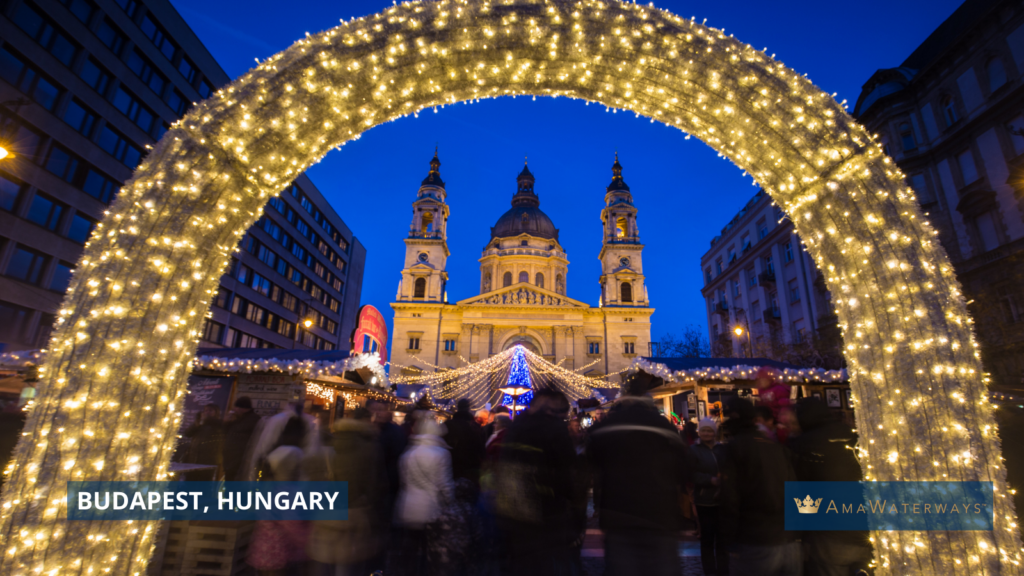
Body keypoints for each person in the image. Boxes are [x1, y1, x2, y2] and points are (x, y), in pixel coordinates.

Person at [588, 374, 693, 576]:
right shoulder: (665, 427)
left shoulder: (608, 427)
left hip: (619, 516)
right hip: (661, 518)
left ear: (625, 397)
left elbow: (592, 464)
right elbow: (685, 469)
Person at [496, 388, 580, 576]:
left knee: (521, 562)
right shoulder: (553, 428)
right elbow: (567, 473)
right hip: (546, 511)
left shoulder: (516, 425)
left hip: (513, 509)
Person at [788, 397, 871, 576]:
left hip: (829, 533)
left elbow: (802, 493)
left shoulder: (804, 444)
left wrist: (802, 534)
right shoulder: (853, 436)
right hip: (863, 526)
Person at [719, 397, 800, 576]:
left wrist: (729, 539)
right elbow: (794, 491)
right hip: (787, 539)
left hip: (754, 539)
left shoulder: (735, 448)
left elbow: (730, 500)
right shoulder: (776, 447)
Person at [307, 407, 386, 576]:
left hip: (326, 511)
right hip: (353, 511)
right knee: (346, 562)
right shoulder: (369, 450)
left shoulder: (326, 447)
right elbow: (374, 485)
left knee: (323, 559)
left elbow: (312, 478)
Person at [392, 412, 455, 576]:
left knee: (410, 550)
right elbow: (445, 483)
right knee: (430, 551)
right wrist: (451, 503)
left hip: (408, 508)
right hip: (431, 509)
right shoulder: (441, 454)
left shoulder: (408, 453)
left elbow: (404, 482)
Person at [247, 417, 311, 575]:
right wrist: (307, 542)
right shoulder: (287, 491)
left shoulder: (267, 486)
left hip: (262, 549)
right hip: (280, 551)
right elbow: (290, 522)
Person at [693, 418, 729, 576]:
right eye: (703, 430)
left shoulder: (722, 449)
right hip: (704, 500)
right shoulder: (694, 450)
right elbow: (691, 473)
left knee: (722, 540)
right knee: (707, 540)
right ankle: (709, 572)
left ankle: (722, 571)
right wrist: (710, 480)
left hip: (722, 501)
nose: (706, 433)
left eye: (709, 430)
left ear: (714, 432)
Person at [443, 398, 485, 487]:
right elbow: (480, 451)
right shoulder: (473, 427)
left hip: (449, 469)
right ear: (468, 408)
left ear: (458, 408)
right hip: (468, 471)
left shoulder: (447, 425)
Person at [222, 396, 262, 481]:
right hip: (231, 461)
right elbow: (226, 433)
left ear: (242, 408)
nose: (234, 409)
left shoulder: (253, 420)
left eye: (236, 407)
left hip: (240, 461)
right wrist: (226, 423)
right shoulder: (238, 419)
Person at [183, 404, 224, 469]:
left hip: (209, 459)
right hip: (194, 457)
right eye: (206, 410)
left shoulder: (219, 424)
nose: (207, 412)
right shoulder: (199, 422)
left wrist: (207, 420)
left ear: (216, 413)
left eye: (210, 410)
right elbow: (187, 434)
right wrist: (196, 425)